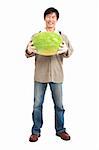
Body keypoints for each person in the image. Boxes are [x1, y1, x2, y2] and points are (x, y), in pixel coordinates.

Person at [25, 7, 73, 142]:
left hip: (57, 76)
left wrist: (66, 50)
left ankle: (60, 130)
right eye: (48, 17)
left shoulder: (62, 36)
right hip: (40, 75)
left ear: (56, 19)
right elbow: (28, 53)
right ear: (44, 18)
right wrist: (28, 50)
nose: (50, 19)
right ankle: (35, 131)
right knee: (37, 105)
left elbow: (70, 52)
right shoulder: (37, 36)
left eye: (53, 17)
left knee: (59, 105)